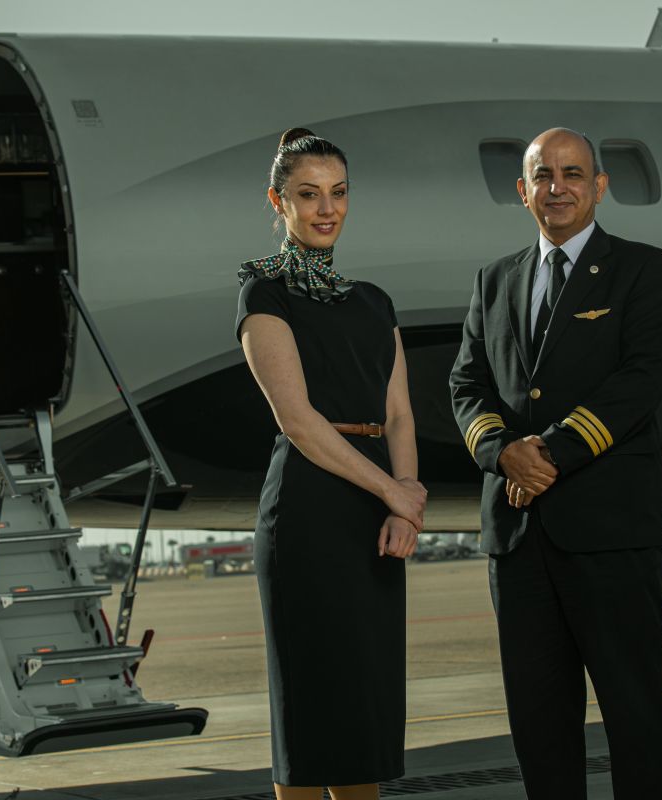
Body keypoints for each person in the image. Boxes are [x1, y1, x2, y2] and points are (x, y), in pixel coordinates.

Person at [448, 127, 662, 799]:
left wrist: (546, 455)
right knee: (539, 725)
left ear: (599, 186)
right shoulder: (495, 280)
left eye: (573, 174)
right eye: (543, 176)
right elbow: (466, 385)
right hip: (519, 543)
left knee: (637, 715)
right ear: (522, 192)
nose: (558, 187)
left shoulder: (644, 269)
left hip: (609, 534)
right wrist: (502, 452)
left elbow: (640, 382)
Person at [236, 127, 426, 800]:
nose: (327, 209)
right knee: (313, 712)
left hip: (376, 513)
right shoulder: (264, 295)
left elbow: (399, 415)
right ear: (278, 201)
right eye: (308, 194)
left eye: (338, 193)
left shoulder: (373, 300)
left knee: (362, 710)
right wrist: (394, 492)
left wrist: (405, 499)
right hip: (310, 510)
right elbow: (298, 422)